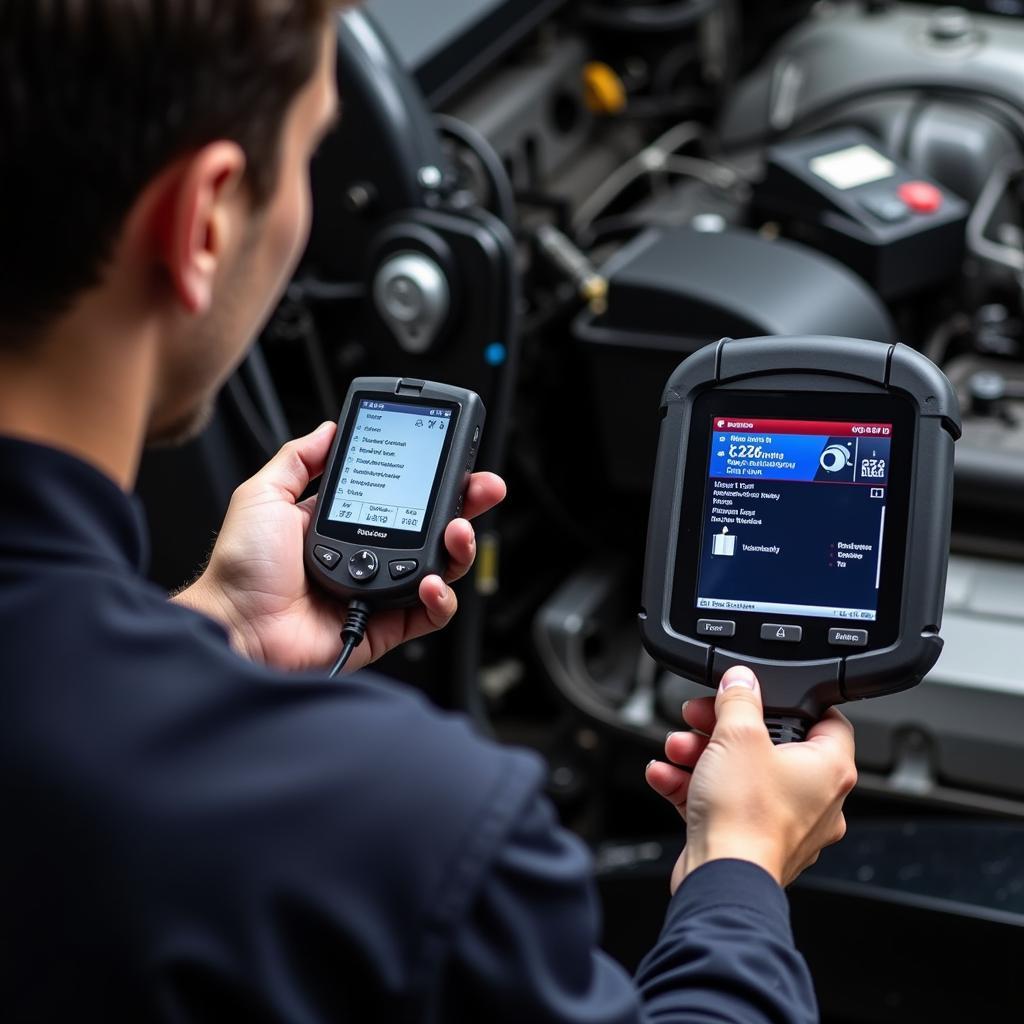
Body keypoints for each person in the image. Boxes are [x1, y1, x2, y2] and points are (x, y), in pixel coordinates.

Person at [0, 3, 857, 1021]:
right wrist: (737, 871)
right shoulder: (404, 833)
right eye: (313, 154)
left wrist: (215, 629)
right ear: (205, 221)